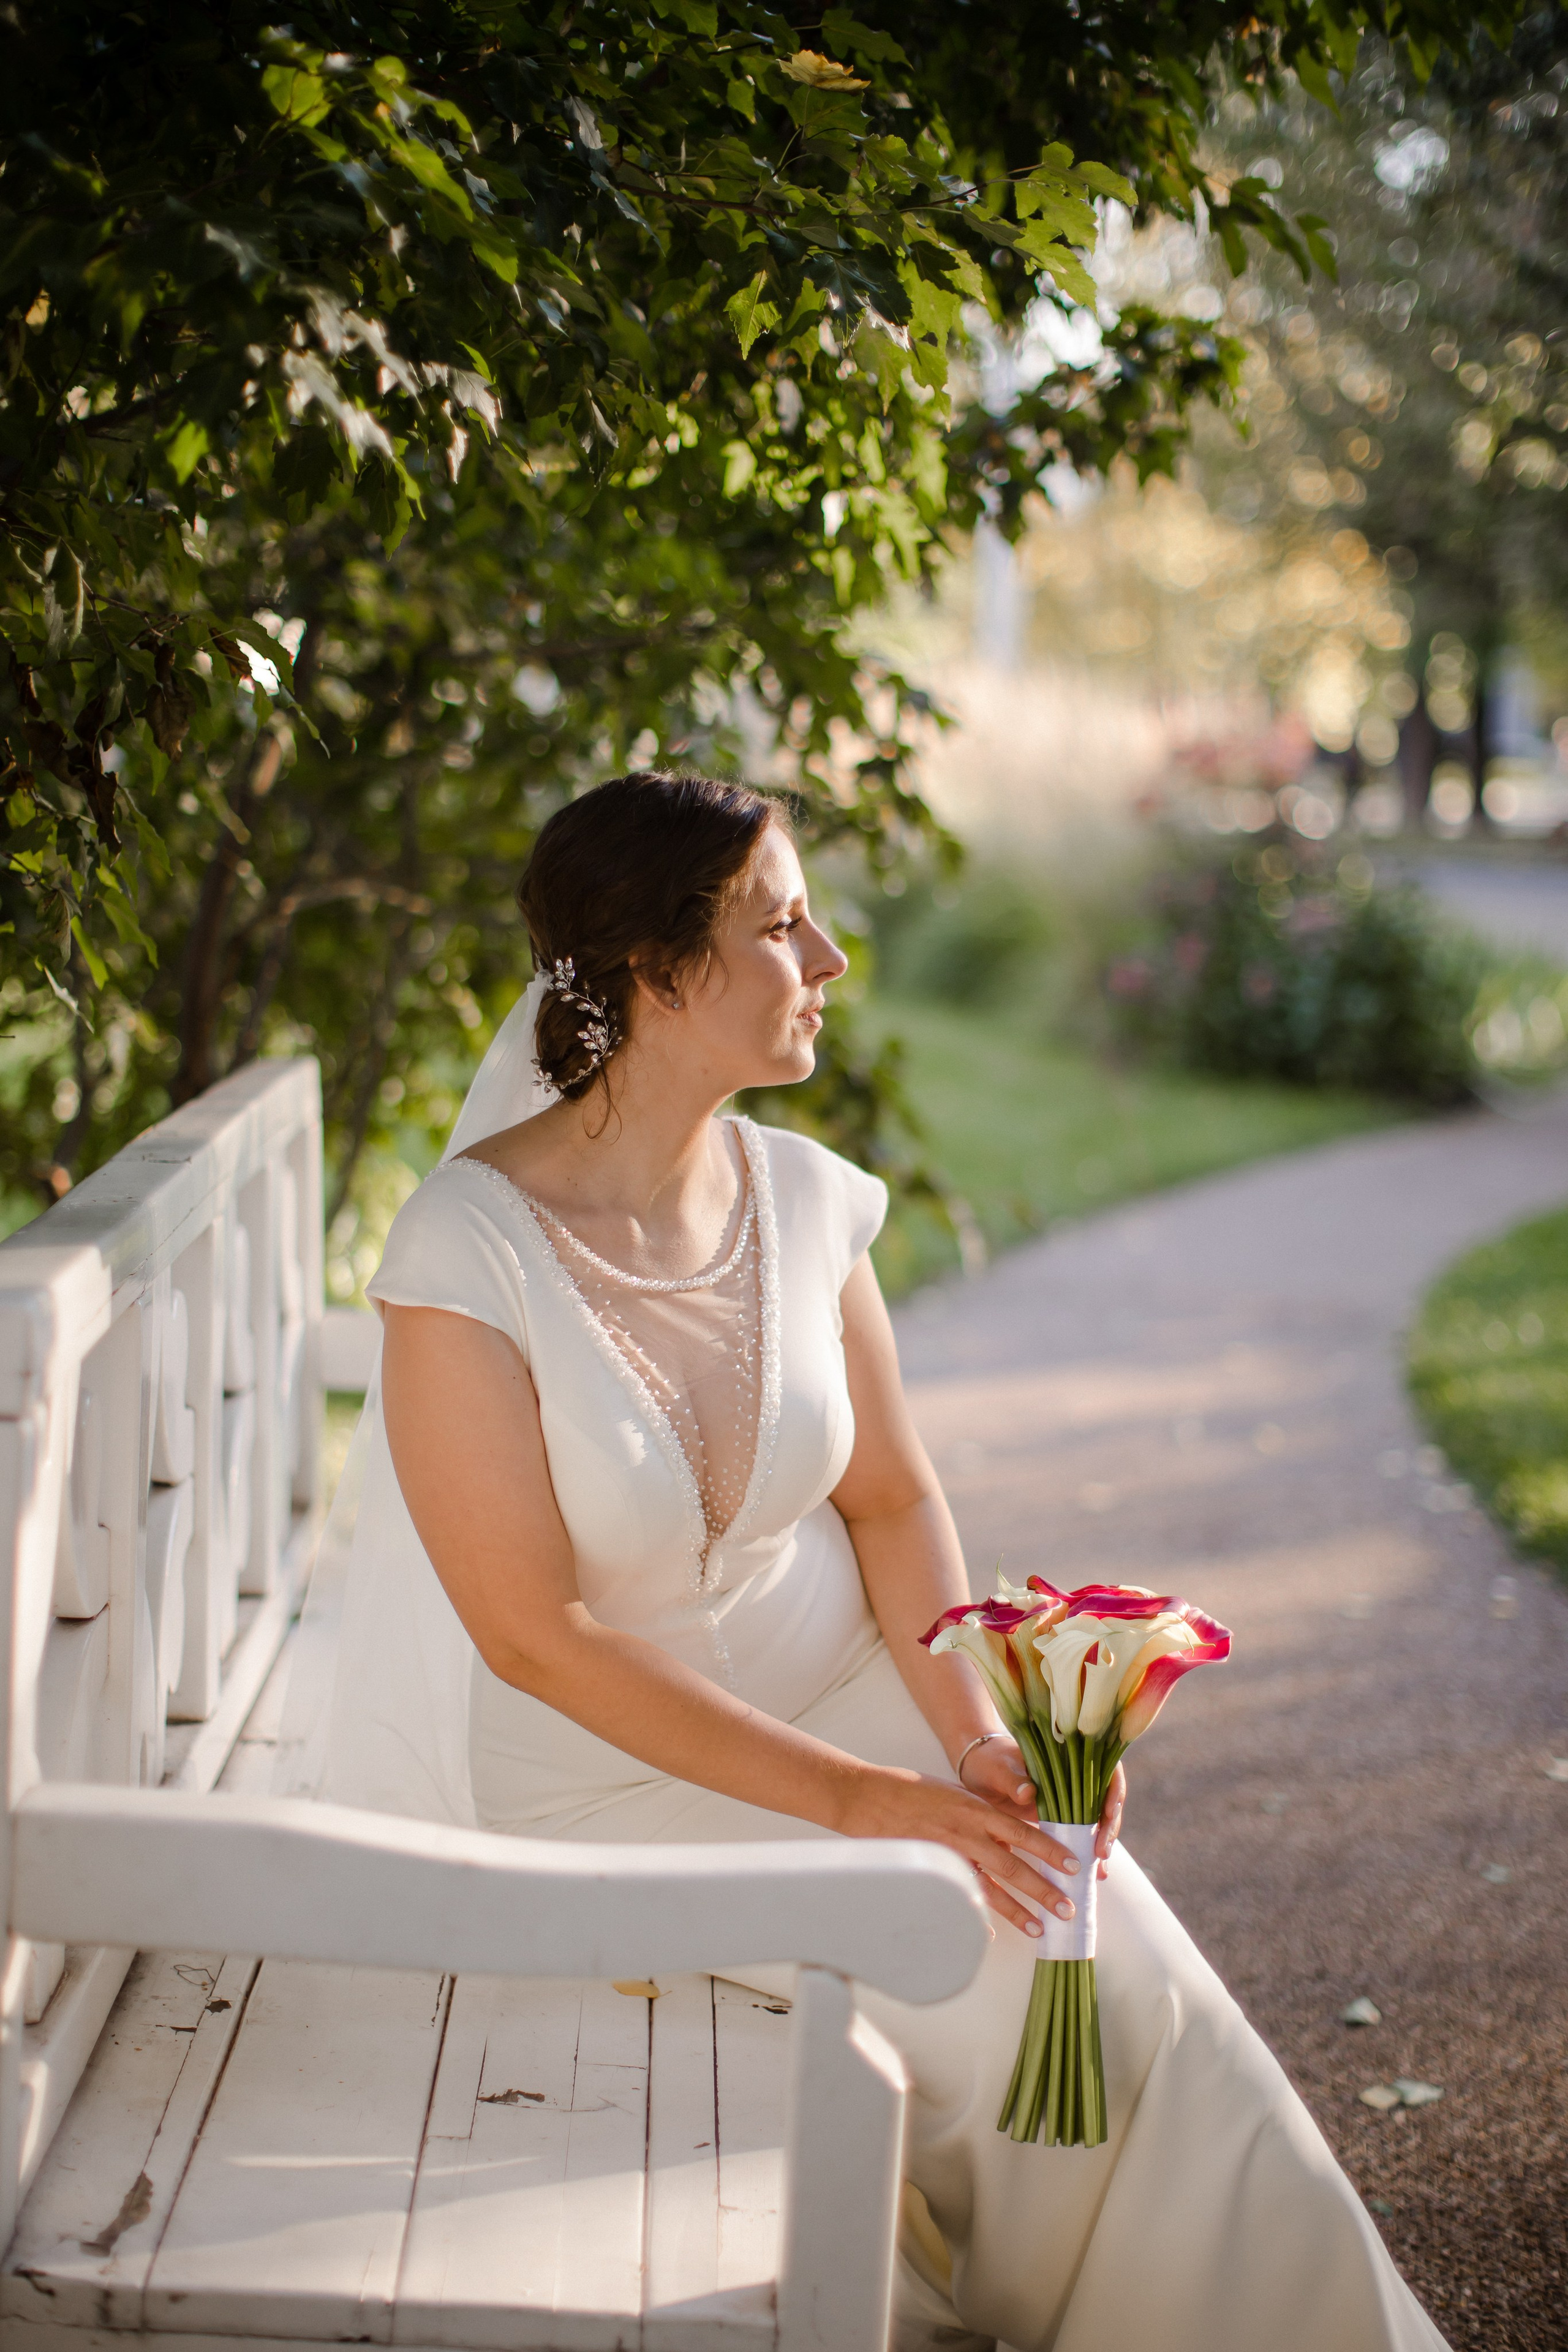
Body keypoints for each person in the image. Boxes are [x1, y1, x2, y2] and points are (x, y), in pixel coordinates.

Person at [320, 769, 1447, 2352]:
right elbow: (534, 1636)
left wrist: (978, 1744)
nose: (831, 959)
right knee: (988, 1973)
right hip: (615, 1785)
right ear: (655, 971)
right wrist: (868, 1807)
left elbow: (897, 1501)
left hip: (859, 1694)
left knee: (1117, 1964)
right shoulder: (468, 1251)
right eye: (784, 926)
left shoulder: (802, 1199)